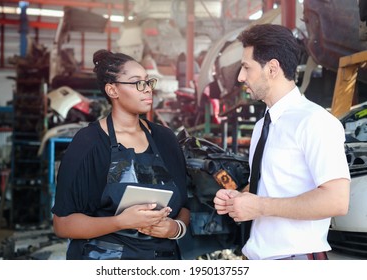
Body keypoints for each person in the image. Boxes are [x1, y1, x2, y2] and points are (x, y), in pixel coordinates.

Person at [213, 24, 351, 260]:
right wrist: (239, 198)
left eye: (247, 67)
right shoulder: (262, 126)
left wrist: (260, 207)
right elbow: (271, 187)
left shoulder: (314, 122)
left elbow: (336, 200)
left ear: (272, 68)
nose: (240, 77)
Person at [51, 49, 190, 260]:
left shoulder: (165, 139)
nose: (147, 90)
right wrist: (121, 222)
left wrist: (175, 229)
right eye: (137, 83)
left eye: (148, 82)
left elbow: (184, 207)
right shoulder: (89, 143)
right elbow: (62, 224)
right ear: (112, 90)